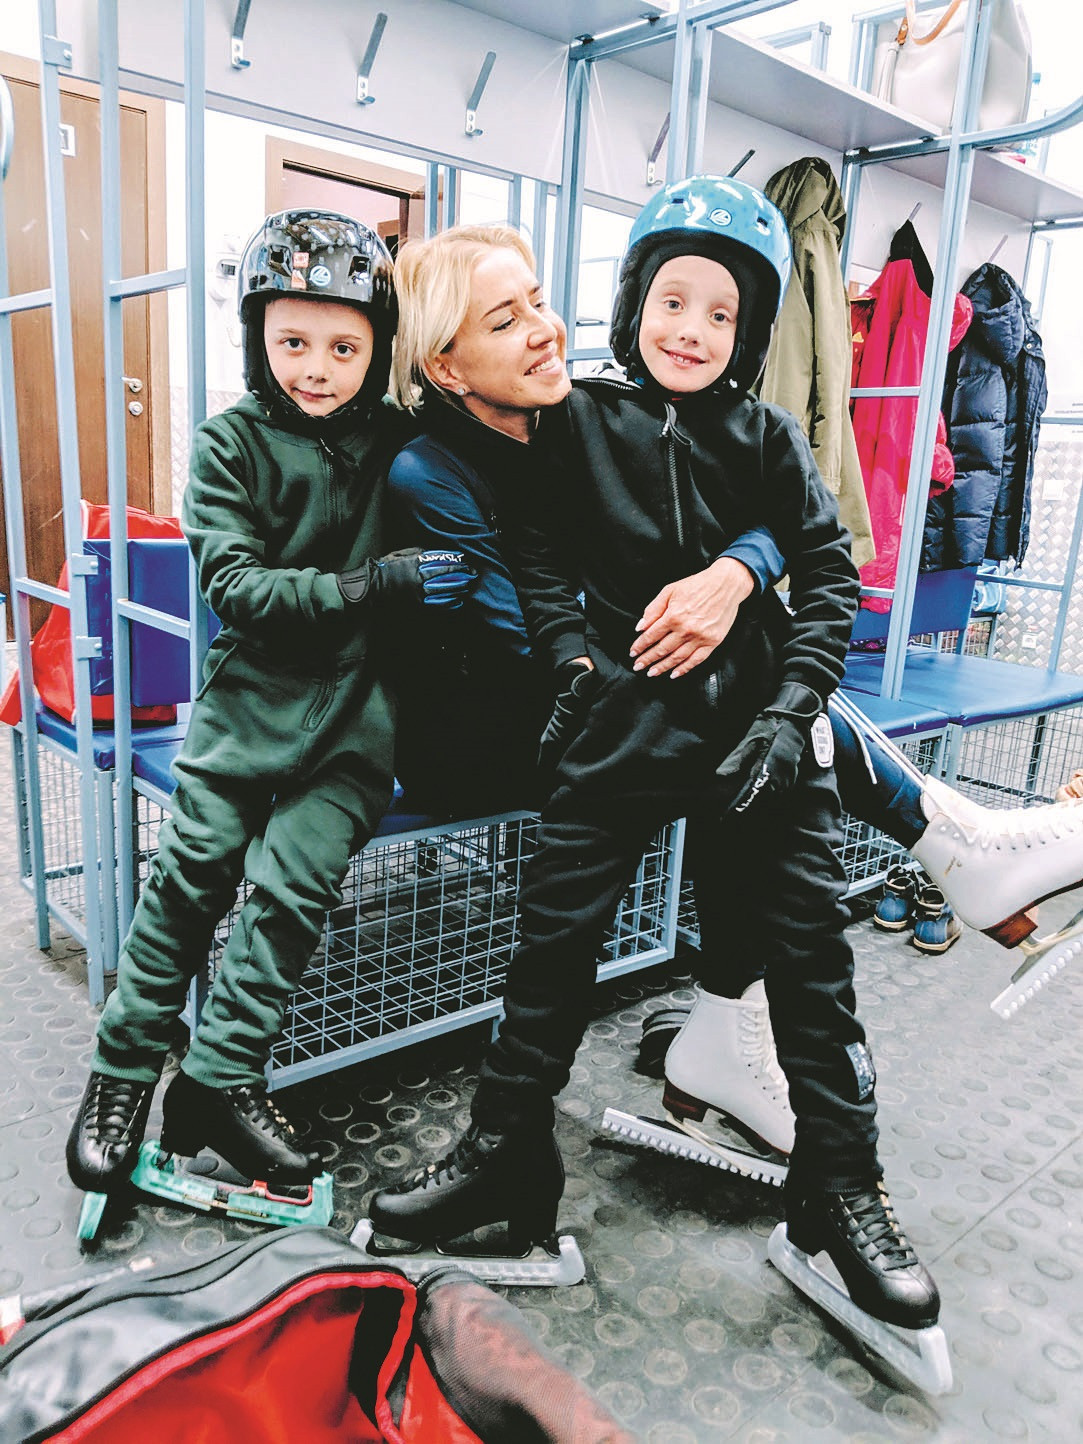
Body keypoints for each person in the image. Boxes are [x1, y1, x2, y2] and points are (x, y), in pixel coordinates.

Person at [379, 222, 1083, 1183]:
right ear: (446, 366)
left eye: (538, 300)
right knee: (736, 721)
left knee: (753, 731)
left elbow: (750, 509)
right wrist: (720, 612)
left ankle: (731, 1028)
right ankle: (945, 847)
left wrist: (737, 570)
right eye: (504, 321)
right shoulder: (439, 469)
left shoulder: (576, 412)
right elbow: (545, 634)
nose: (544, 329)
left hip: (628, 701)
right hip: (512, 723)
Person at [368, 177, 945, 1337]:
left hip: (754, 732)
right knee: (549, 955)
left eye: (721, 314)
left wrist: (791, 707)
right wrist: (574, 663)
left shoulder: (768, 436)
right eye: (671, 301)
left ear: (751, 333)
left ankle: (841, 1185)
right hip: (621, 727)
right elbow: (539, 552)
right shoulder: (575, 421)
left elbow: (828, 567)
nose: (690, 329)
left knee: (812, 957)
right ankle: (506, 1157)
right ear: (634, 302)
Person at [65, 209, 473, 1203]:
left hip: (356, 724)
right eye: (292, 343)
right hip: (248, 705)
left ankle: (217, 1079)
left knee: (294, 892)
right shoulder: (228, 445)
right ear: (258, 340)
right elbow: (236, 585)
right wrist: (366, 586)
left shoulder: (399, 441)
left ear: (376, 352)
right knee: (190, 877)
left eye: (343, 348)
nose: (316, 370)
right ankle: (122, 1072)